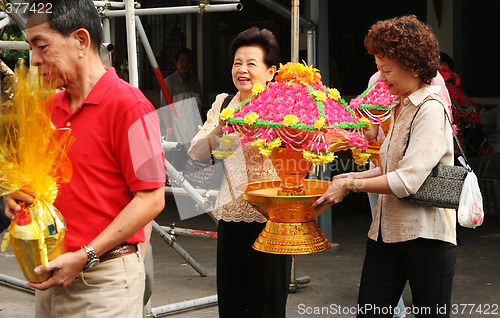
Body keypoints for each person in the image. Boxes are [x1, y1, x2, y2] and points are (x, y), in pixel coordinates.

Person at [3, 1, 166, 317]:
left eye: (42, 47)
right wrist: (16, 196)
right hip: (52, 273)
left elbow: (151, 198)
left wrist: (85, 254)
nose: (34, 61)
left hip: (103, 281)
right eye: (30, 48)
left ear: (80, 40)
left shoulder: (131, 107)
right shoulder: (47, 108)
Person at [313, 15, 456, 317]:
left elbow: (407, 180)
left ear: (414, 65)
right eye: (378, 68)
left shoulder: (430, 109)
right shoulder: (398, 105)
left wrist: (351, 184)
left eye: (387, 70)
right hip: (385, 234)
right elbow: (388, 166)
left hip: (426, 237)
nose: (381, 78)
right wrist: (347, 176)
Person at [188, 27, 291, 318]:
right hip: (231, 216)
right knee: (231, 302)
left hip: (271, 219)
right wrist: (221, 127)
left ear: (271, 72)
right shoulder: (223, 103)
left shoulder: (284, 105)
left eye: (251, 64)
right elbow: (197, 153)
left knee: (267, 305)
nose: (242, 70)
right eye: (237, 63)